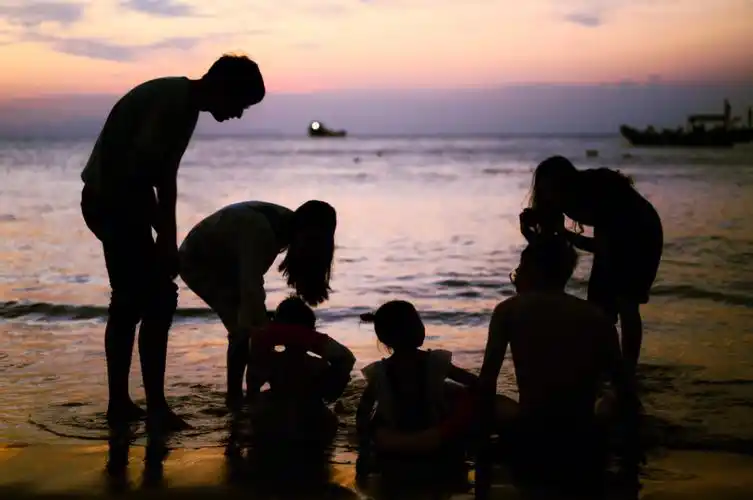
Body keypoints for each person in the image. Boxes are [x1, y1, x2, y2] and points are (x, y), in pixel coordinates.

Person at [80, 55, 265, 429]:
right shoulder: (173, 103)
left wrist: (167, 235)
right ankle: (147, 408)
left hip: (122, 202)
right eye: (241, 104)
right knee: (149, 299)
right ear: (223, 86)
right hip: (113, 201)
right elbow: (143, 175)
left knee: (144, 299)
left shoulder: (184, 104)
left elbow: (165, 176)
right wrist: (165, 238)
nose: (238, 114)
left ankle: (130, 404)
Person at [476, 236, 640, 496]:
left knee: (495, 401)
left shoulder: (508, 310)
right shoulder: (596, 316)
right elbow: (623, 384)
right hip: (583, 433)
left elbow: (487, 381)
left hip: (532, 429)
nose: (516, 277)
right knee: (608, 397)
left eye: (519, 270)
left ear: (531, 270)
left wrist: (481, 439)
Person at [178, 200, 337, 409]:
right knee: (242, 329)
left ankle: (244, 395)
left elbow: (251, 285)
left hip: (221, 255)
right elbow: (251, 286)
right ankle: (236, 398)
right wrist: (265, 331)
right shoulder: (263, 232)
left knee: (249, 323)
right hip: (198, 260)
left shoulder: (285, 224)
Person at [521, 155, 663, 374]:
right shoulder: (560, 200)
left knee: (626, 301)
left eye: (552, 188)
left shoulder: (598, 191)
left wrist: (566, 234)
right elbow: (551, 251)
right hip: (612, 236)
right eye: (544, 190)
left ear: (566, 182)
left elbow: (604, 245)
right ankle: (607, 367)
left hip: (642, 232)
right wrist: (531, 234)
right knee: (600, 308)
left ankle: (628, 370)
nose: (548, 195)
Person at [355, 300, 517, 482]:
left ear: (384, 338)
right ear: (417, 330)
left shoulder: (378, 372)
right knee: (464, 396)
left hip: (394, 441)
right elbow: (475, 383)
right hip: (436, 437)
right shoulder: (436, 361)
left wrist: (364, 444)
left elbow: (363, 411)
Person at [245, 296, 355, 441]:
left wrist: (273, 334)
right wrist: (310, 337)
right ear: (312, 329)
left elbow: (253, 387)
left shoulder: (271, 359)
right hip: (313, 419)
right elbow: (346, 359)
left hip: (273, 419)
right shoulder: (316, 365)